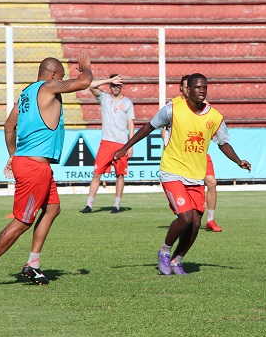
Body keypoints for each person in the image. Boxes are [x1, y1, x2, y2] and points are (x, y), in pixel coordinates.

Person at [0, 55, 93, 287]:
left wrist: (12, 153)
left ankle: (33, 264)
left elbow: (9, 125)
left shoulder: (26, 94)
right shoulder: (49, 86)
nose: (62, 81)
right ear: (54, 75)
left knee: (53, 209)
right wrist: (85, 67)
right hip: (34, 166)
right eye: (62, 77)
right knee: (23, 221)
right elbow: (84, 81)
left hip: (33, 163)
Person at [114, 73, 251, 275]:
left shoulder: (214, 117)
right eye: (197, 87)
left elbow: (223, 143)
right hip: (172, 171)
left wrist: (239, 161)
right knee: (185, 217)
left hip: (195, 176)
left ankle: (177, 260)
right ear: (188, 90)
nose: (201, 90)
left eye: (204, 87)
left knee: (195, 224)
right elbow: (148, 127)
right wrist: (125, 147)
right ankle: (164, 251)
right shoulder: (172, 110)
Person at [164, 75, 223, 233]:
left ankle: (210, 219)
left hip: (199, 154)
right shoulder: (173, 106)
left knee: (211, 182)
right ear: (183, 88)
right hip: (180, 156)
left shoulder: (204, 106)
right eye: (184, 86)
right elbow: (164, 128)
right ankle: (184, 216)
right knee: (186, 212)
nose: (186, 89)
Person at [80, 74, 133, 214]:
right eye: (114, 85)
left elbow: (130, 124)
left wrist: (130, 145)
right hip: (106, 142)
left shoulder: (127, 102)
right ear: (110, 86)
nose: (116, 87)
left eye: (118, 85)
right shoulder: (105, 98)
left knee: (120, 174)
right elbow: (90, 85)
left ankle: (116, 205)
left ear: (121, 86)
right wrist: (110, 79)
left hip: (122, 143)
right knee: (97, 173)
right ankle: (89, 204)